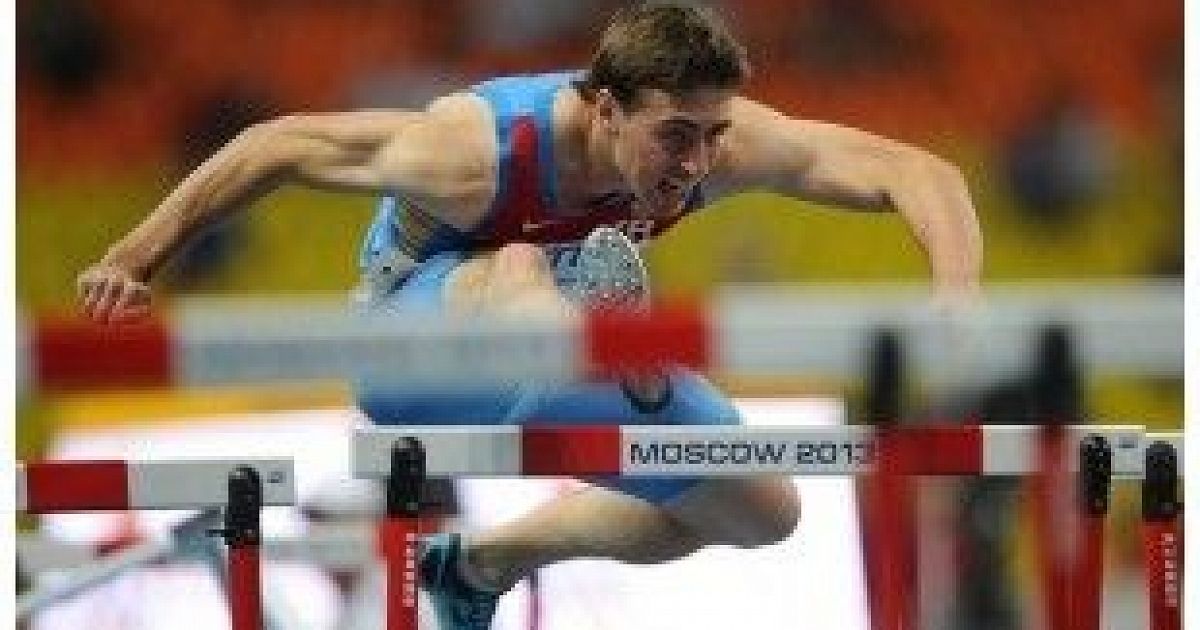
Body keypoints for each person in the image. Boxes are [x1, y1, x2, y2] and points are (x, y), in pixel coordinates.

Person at [77, 4, 982, 628]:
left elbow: (917, 172)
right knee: (519, 268)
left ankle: (484, 562)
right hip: (412, 348)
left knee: (759, 509)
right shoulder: (472, 150)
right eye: (675, 137)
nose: (698, 162)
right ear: (605, 109)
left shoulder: (712, 143)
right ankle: (603, 345)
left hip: (575, 351)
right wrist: (133, 256)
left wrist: (955, 304)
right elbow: (277, 143)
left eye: (713, 136)